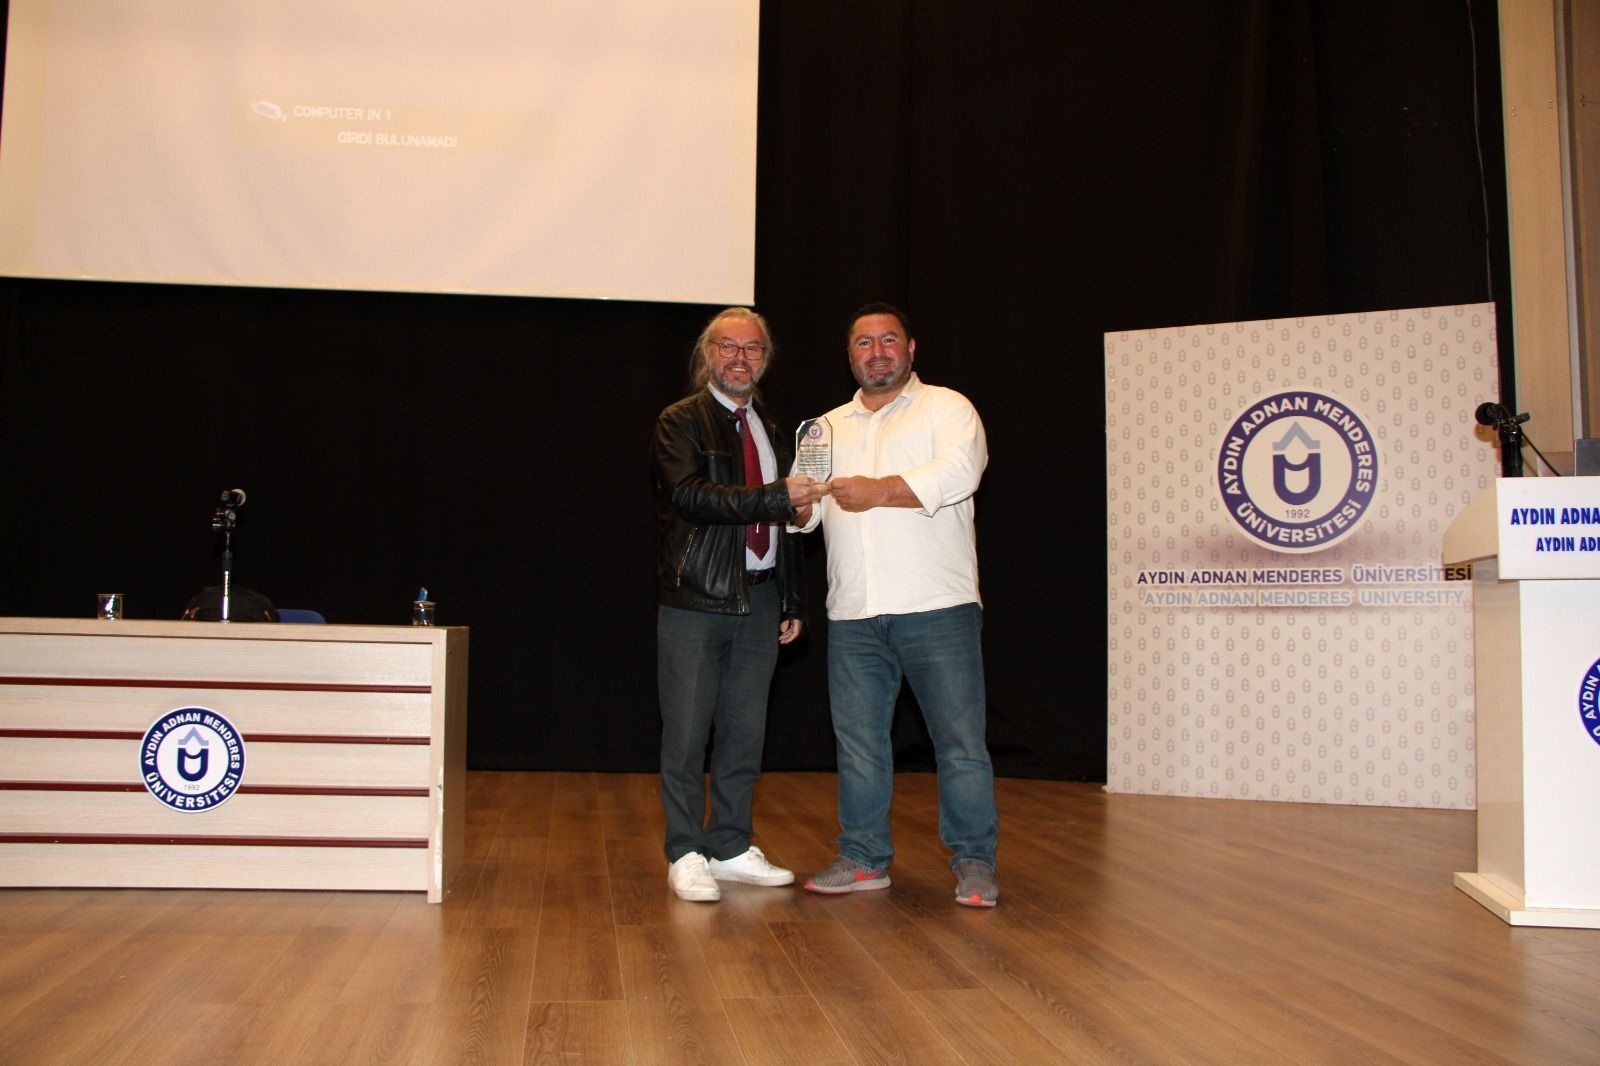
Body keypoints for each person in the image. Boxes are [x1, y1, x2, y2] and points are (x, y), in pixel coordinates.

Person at [793, 301, 1000, 907]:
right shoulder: (823, 429)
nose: (877, 352)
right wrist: (797, 507)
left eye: (889, 340)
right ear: (849, 355)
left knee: (959, 745)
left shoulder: (948, 408)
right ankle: (863, 858)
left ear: (911, 349)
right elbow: (804, 518)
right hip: (853, 613)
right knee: (859, 746)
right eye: (864, 342)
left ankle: (974, 862)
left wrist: (878, 490)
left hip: (937, 607)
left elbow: (961, 472)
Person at [652, 306, 826, 902]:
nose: (740, 358)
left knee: (745, 734)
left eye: (752, 349)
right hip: (696, 600)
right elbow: (692, 496)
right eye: (728, 347)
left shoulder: (773, 429)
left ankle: (728, 845)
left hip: (762, 598)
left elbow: (790, 521)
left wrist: (793, 599)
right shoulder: (679, 420)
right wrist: (776, 497)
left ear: (765, 359)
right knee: (685, 735)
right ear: (709, 355)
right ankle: (685, 851)